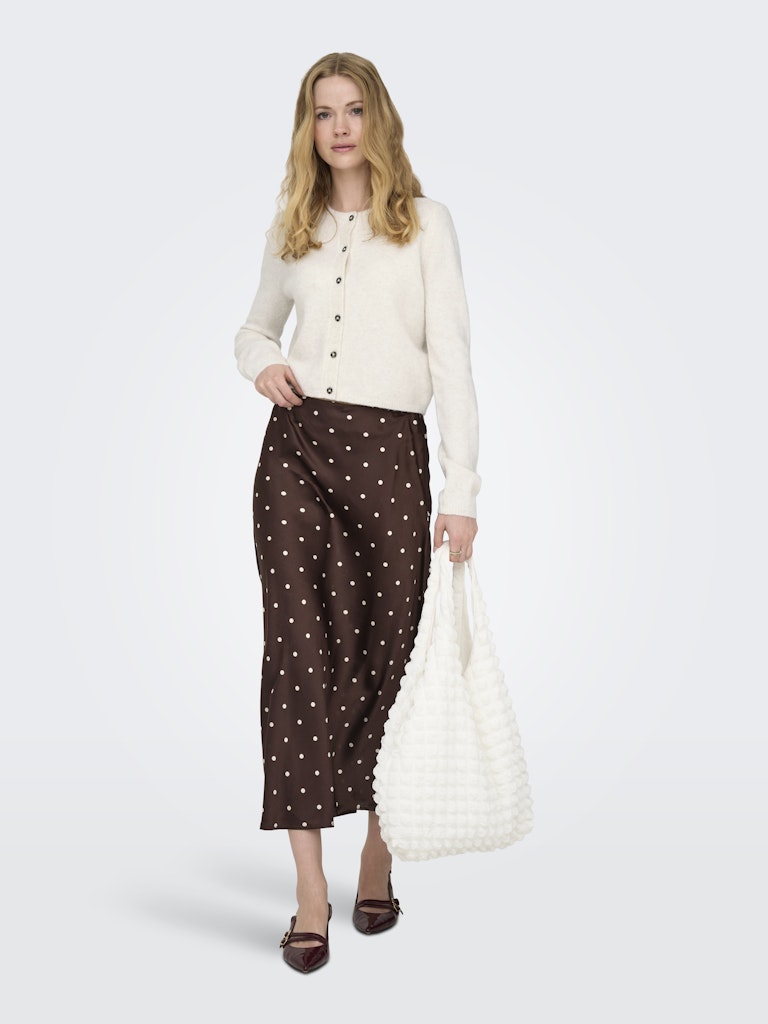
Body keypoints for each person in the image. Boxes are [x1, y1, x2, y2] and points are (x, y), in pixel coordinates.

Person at [233, 52, 481, 973]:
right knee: (298, 658)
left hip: (388, 458)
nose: (338, 127)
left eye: (353, 109)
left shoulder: (425, 223)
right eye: (322, 112)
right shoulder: (291, 226)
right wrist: (262, 363)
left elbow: (452, 360)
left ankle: (378, 852)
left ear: (378, 119)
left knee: (389, 658)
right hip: (296, 453)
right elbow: (253, 326)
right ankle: (310, 890)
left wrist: (461, 491)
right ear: (308, 128)